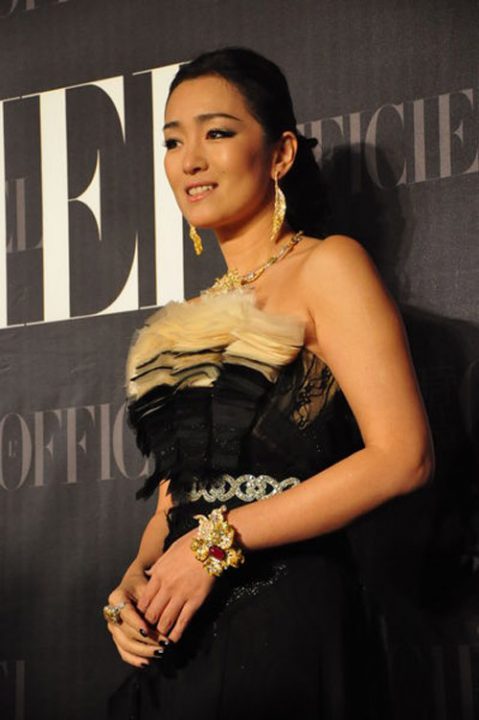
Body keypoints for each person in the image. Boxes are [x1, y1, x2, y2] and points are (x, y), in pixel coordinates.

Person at [104, 47, 434, 720]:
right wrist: (137, 579)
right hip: (178, 635)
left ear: (280, 154)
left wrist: (215, 544)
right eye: (173, 141)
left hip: (284, 624)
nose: (190, 160)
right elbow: (176, 499)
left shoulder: (327, 267)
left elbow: (402, 457)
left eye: (217, 133)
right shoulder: (188, 318)